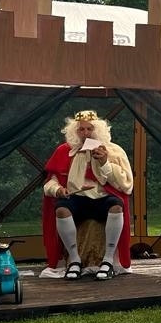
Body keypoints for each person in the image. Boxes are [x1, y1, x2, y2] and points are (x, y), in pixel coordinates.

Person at [42, 110, 134, 280]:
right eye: (81, 129)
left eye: (89, 129)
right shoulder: (65, 151)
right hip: (77, 199)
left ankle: (107, 261)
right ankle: (74, 260)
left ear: (97, 130)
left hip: (102, 198)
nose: (85, 133)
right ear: (75, 132)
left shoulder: (114, 151)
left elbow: (126, 185)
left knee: (116, 206)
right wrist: (58, 190)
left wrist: (105, 162)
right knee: (61, 209)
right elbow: (50, 183)